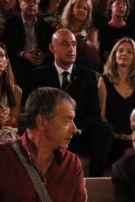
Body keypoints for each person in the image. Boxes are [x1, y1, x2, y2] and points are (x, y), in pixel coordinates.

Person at [27, 29, 114, 177]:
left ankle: (95, 178)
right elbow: (34, 112)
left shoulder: (88, 76)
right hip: (50, 133)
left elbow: (94, 113)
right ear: (52, 48)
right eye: (65, 44)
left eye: (73, 44)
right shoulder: (38, 75)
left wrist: (77, 129)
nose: (71, 49)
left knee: (104, 129)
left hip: (78, 133)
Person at [98, 37, 135, 164]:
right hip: (111, 137)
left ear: (134, 57)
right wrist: (115, 134)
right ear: (114, 55)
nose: (124, 54)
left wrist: (133, 134)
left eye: (129, 52)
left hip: (132, 136)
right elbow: (101, 116)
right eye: (120, 50)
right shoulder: (104, 80)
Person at [1, 0, 54, 92]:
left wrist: (44, 55)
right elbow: (6, 46)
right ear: (20, 4)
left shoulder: (45, 25)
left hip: (40, 60)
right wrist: (23, 54)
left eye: (35, 2)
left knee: (47, 68)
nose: (32, 5)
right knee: (20, 65)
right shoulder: (11, 23)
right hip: (20, 60)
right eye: (29, 1)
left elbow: (50, 45)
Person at [60, 0, 100, 71]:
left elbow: (94, 58)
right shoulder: (62, 28)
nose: (82, 10)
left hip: (86, 69)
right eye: (78, 6)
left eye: (85, 8)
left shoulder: (91, 31)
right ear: (71, 9)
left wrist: (84, 42)